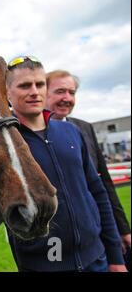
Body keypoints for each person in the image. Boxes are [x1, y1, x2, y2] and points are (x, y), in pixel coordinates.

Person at [0, 55, 126, 272]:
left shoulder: (71, 132)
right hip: (43, 265)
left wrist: (115, 257)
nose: (35, 91)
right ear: (6, 92)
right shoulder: (1, 145)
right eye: (25, 85)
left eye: (40, 84)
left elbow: (98, 192)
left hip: (97, 258)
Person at [45, 69, 131, 257]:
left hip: (101, 230)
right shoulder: (24, 135)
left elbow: (105, 184)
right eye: (60, 91)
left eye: (72, 92)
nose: (67, 98)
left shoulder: (84, 128)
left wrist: (123, 229)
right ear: (43, 92)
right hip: (58, 245)